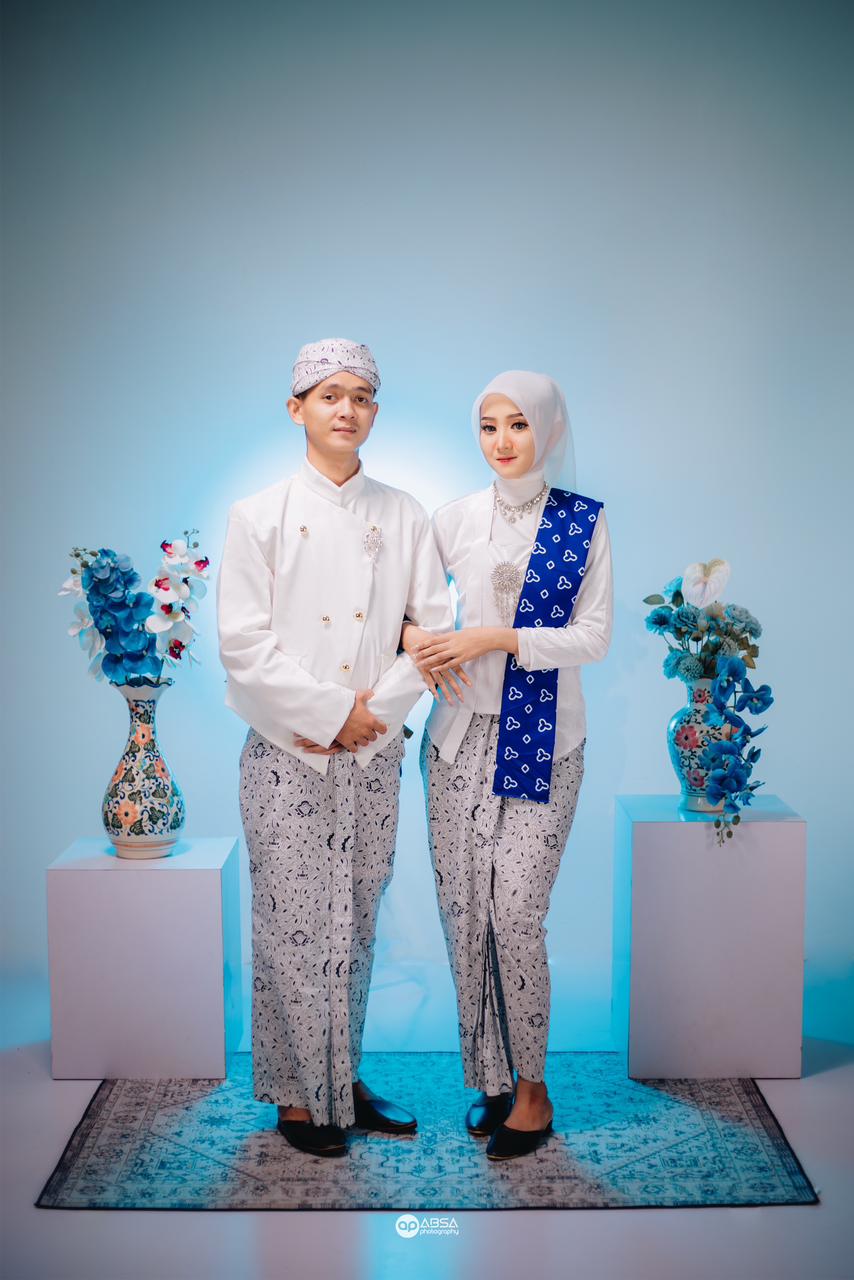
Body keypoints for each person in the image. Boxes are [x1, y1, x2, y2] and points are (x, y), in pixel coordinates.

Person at [217, 338, 457, 1157]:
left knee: (353, 921)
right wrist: (327, 714)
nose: (345, 409)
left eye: (360, 396)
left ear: (374, 413)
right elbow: (243, 647)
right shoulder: (258, 516)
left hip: (372, 752)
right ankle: (296, 1098)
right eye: (328, 395)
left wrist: (371, 718)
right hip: (286, 752)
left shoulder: (405, 513)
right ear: (297, 409)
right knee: (292, 924)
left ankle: (339, 1079)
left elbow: (432, 630)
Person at [403, 370, 613, 1161]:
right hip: (459, 739)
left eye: (518, 424)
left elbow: (593, 636)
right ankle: (491, 1078)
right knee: (467, 912)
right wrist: (415, 640)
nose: (502, 440)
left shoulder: (582, 523)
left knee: (515, 911)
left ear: (549, 430)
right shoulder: (453, 519)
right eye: (489, 425)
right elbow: (406, 612)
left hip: (545, 738)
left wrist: (494, 637)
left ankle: (533, 1090)